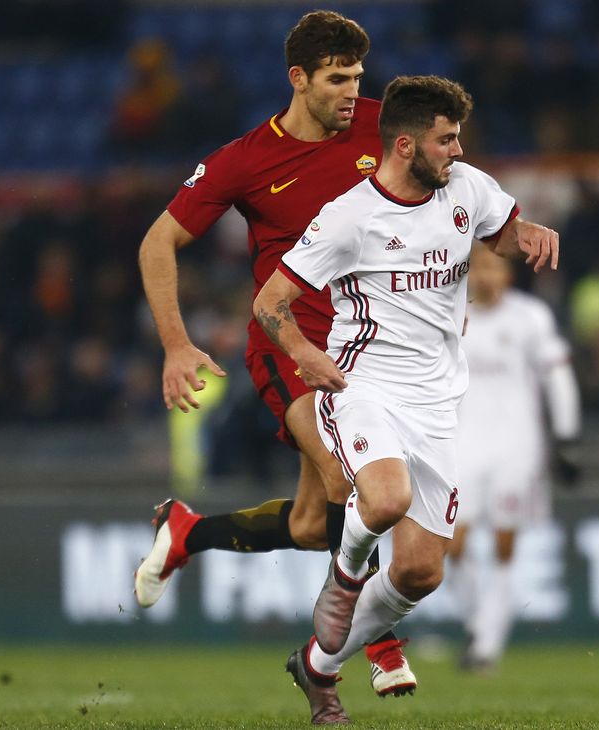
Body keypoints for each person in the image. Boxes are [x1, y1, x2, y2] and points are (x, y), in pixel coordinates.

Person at [252, 75, 559, 724]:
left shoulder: (467, 189)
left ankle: (317, 666)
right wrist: (307, 356)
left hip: (437, 404)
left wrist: (528, 234)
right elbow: (269, 303)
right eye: (446, 140)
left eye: (459, 138)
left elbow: (501, 233)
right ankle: (345, 575)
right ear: (404, 145)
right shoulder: (348, 218)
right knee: (384, 500)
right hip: (361, 386)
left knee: (422, 574)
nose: (457, 150)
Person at [133, 10, 415, 698]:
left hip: (366, 352)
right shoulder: (247, 160)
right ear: (299, 78)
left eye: (358, 78)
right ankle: (375, 645)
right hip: (285, 347)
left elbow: (450, 184)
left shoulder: (386, 127)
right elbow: (157, 243)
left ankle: (188, 531)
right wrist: (176, 343)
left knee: (312, 522)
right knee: (349, 482)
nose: (353, 92)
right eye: (337, 79)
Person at [446, 244, 581, 672]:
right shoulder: (450, 316)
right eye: (477, 268)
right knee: (452, 546)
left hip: (517, 449)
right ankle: (479, 624)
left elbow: (557, 378)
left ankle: (486, 646)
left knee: (505, 545)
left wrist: (566, 436)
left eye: (493, 267)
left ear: (507, 274)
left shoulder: (530, 317)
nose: (485, 276)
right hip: (462, 444)